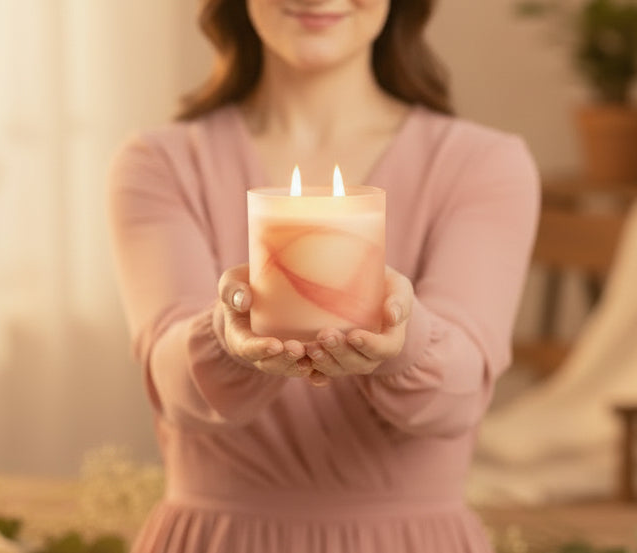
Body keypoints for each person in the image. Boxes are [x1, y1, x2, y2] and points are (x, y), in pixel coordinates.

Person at [107, 1, 540, 551]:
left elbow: (459, 393)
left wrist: (403, 341)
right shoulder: (160, 162)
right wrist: (228, 338)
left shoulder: (484, 164)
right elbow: (172, 383)